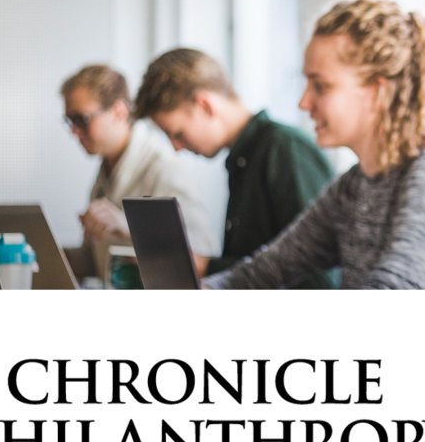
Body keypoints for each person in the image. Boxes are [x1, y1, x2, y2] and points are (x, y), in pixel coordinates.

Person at [200, 0, 425, 290]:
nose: (304, 102)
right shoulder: (354, 186)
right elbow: (264, 272)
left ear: (377, 92)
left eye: (320, 86)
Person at [132, 48, 337, 289]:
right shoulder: (242, 160)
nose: (176, 148)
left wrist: (204, 266)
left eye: (178, 133)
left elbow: (319, 279)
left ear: (205, 106)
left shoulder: (284, 149)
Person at [59, 64, 218, 279]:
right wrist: (41, 253)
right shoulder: (106, 169)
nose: (74, 132)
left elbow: (203, 254)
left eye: (82, 120)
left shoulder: (165, 167)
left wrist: (129, 226)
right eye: (70, 121)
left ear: (119, 112)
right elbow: (95, 261)